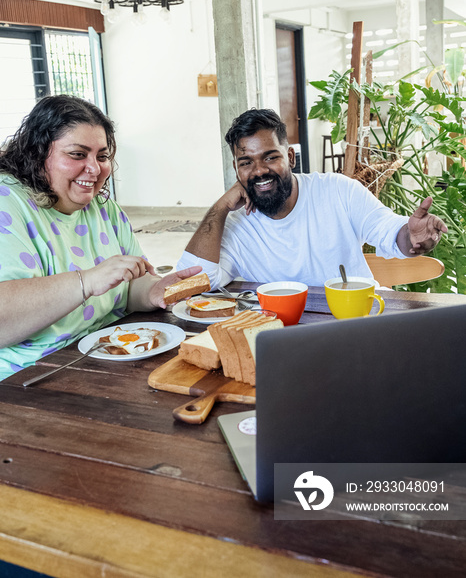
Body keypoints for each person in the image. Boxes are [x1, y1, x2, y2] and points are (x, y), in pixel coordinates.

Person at [0, 95, 201, 381]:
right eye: (78, 154)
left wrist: (154, 291)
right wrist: (87, 281)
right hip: (34, 377)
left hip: (107, 357)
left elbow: (128, 288)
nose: (95, 168)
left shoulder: (104, 209)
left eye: (102, 156)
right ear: (37, 152)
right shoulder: (7, 200)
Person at [177, 108, 447, 289]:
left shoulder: (337, 191)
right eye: (246, 162)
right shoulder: (237, 224)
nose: (259, 171)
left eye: (270, 157)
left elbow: (389, 233)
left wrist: (410, 237)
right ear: (236, 170)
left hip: (354, 325)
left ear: (291, 158)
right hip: (282, 339)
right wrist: (220, 207)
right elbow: (195, 280)